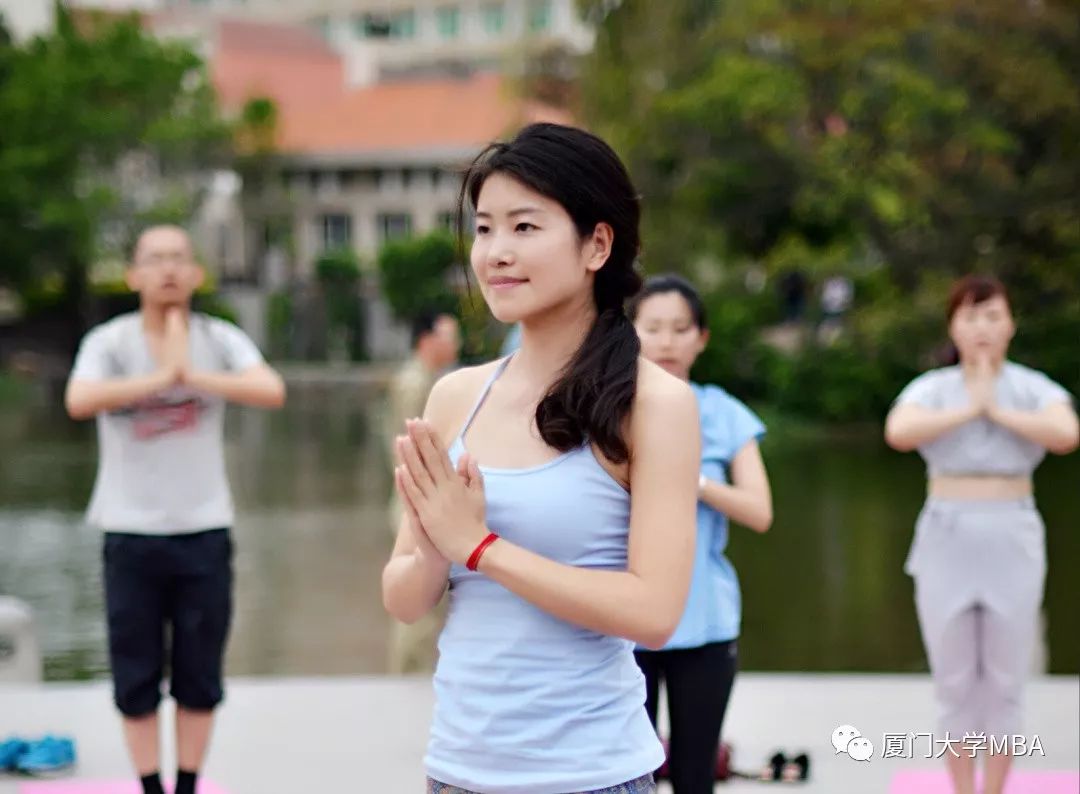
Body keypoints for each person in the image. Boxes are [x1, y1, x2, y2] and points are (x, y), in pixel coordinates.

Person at [381, 123, 700, 794]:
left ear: (597, 244)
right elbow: (404, 597)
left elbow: (655, 611)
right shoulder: (455, 397)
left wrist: (480, 546)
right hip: (457, 772)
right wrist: (439, 545)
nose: (496, 253)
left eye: (524, 228)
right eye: (484, 229)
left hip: (592, 775)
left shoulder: (655, 406)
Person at [64, 225, 286, 794]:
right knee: (134, 673)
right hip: (129, 531)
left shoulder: (219, 338)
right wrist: (159, 378)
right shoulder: (109, 342)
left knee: (198, 672)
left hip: (203, 529)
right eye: (154, 259)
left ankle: (187, 785)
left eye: (177, 259)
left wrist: (191, 374)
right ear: (134, 274)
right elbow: (79, 400)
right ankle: (150, 787)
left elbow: (270, 389)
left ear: (195, 274)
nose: (166, 269)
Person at [884, 275, 1078, 794]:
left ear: (1010, 324)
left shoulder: (1033, 387)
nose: (982, 327)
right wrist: (973, 406)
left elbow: (1066, 434)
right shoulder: (932, 389)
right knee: (954, 681)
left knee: (1004, 681)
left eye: (993, 315)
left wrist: (998, 408)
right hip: (947, 535)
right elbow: (899, 432)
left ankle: (993, 788)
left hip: (1011, 533)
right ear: (953, 325)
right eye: (971, 316)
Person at [628, 274, 773, 794]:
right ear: (632, 333)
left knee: (695, 777)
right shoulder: (607, 409)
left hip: (705, 620)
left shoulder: (724, 413)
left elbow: (759, 511)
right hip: (624, 623)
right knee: (625, 776)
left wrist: (697, 482)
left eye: (680, 328)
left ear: (701, 338)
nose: (667, 340)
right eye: (654, 327)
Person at [385, 310, 461, 674]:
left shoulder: (429, 380)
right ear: (427, 340)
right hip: (415, 500)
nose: (454, 344)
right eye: (448, 336)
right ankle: (407, 675)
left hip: (420, 497)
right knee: (418, 596)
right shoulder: (416, 384)